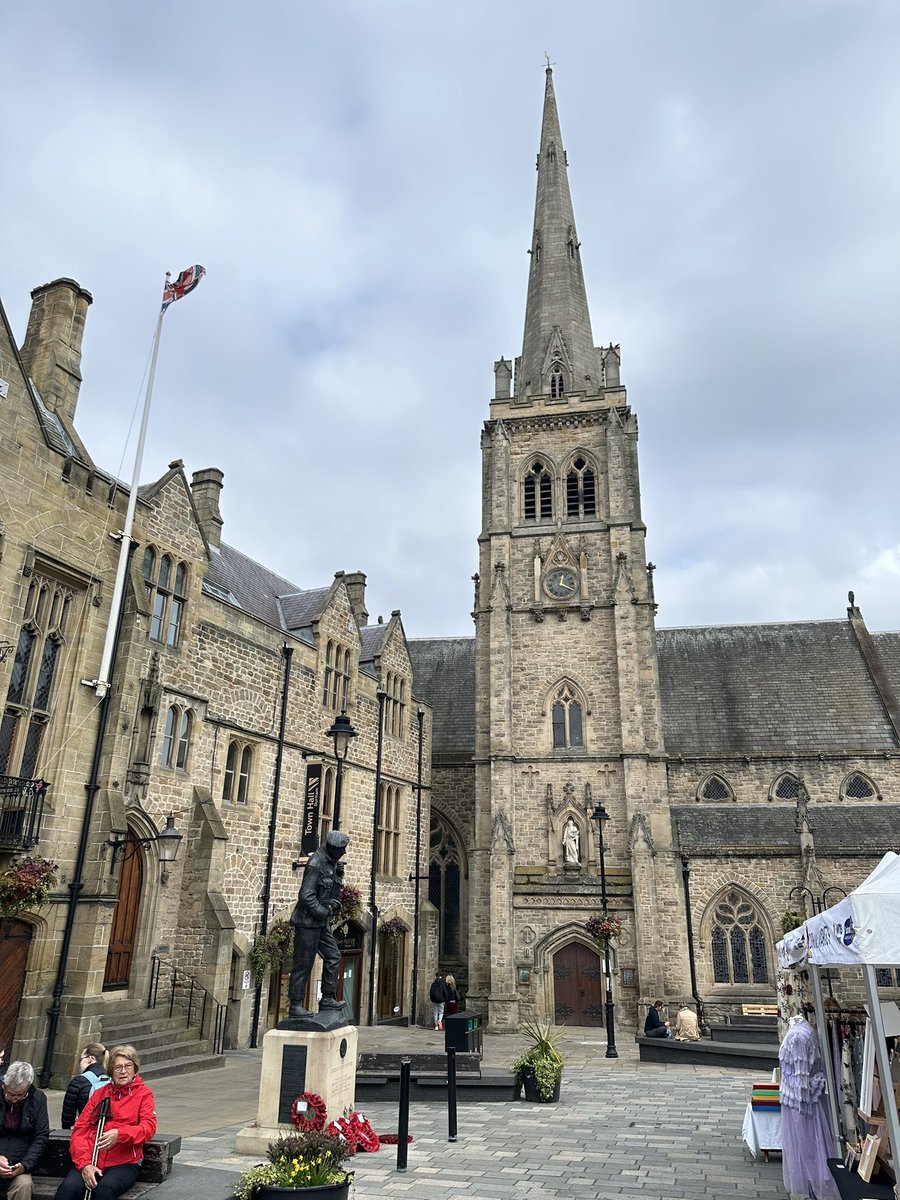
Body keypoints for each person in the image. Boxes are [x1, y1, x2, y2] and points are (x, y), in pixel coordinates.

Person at [53, 1045, 155, 1200]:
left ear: (135, 1068)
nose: (123, 1071)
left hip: (123, 1163)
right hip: (91, 1159)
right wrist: (85, 1164)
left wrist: (120, 1134)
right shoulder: (100, 1094)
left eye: (128, 1066)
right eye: (118, 1067)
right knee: (68, 1189)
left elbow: (148, 1127)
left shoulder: (144, 1094)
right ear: (110, 1070)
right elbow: (80, 1130)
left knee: (103, 1191)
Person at [288, 830, 350, 1018]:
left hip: (320, 922)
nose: (344, 853)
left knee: (333, 956)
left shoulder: (331, 862)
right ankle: (296, 1005)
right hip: (307, 922)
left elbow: (330, 892)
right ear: (333, 848)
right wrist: (323, 912)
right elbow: (306, 895)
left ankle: (328, 997)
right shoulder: (316, 863)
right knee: (303, 963)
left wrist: (339, 877)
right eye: (342, 850)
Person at [0, 1060, 50, 1200]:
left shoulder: (38, 1098)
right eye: (10, 1095)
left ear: (28, 1088)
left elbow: (41, 1136)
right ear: (4, 1085)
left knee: (24, 1185)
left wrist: (25, 1165)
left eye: (20, 1095)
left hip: (20, 1163)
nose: (15, 1100)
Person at [61, 1045, 110, 1130]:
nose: (79, 1063)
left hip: (85, 1131)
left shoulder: (79, 1081)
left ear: (90, 1058)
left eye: (81, 1059)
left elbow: (68, 1117)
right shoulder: (112, 1078)